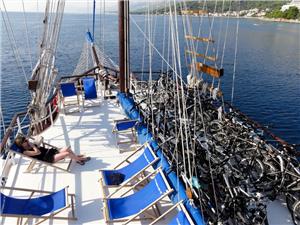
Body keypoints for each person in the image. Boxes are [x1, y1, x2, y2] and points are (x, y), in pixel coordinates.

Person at [14, 136, 90, 165]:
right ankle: (80, 159)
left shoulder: (28, 144)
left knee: (67, 148)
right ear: (22, 144)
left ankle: (76, 158)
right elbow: (38, 152)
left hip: (50, 152)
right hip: (48, 158)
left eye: (26, 139)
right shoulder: (25, 152)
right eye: (25, 141)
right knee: (66, 153)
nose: (27, 140)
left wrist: (32, 143)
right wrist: (33, 145)